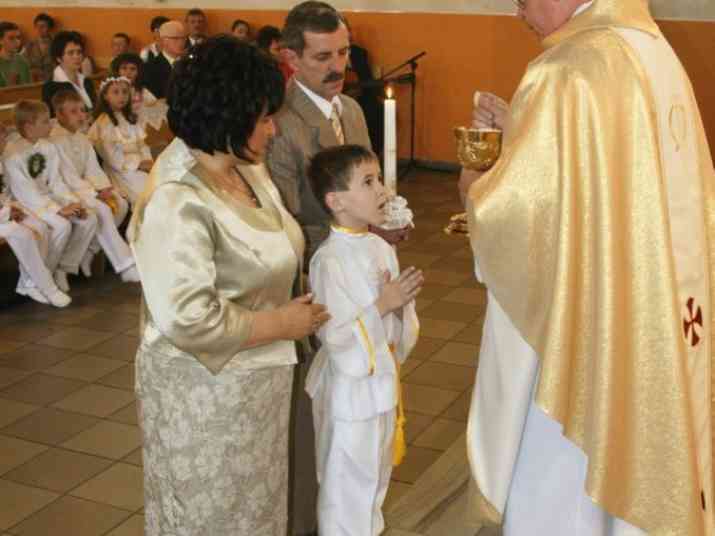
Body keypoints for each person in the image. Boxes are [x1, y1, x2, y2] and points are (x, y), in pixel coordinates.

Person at [460, 1, 715, 535]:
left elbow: (519, 220)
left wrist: (476, 181)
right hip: (655, 313)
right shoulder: (653, 49)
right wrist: (524, 127)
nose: (519, 11)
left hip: (584, 329)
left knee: (564, 485)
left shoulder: (568, 67)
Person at [127, 35, 329, 536]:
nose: (272, 128)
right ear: (227, 114)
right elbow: (187, 317)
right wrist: (281, 322)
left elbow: (275, 247)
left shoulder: (246, 169)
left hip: (258, 385)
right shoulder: (177, 198)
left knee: (257, 513)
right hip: (204, 397)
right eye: (263, 118)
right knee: (210, 518)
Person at [266, 4, 406, 533]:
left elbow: (368, 184)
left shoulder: (350, 107)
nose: (338, 66)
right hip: (320, 277)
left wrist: (385, 218)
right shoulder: (280, 124)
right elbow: (284, 223)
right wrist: (354, 234)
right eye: (322, 56)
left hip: (360, 259)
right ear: (290, 57)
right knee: (327, 429)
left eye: (343, 53)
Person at [306, 144, 422, 535]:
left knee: (375, 478)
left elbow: (397, 324)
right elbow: (335, 336)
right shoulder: (329, 261)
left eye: (379, 180)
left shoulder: (380, 246)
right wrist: (384, 304)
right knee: (345, 484)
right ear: (335, 201)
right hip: (350, 392)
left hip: (382, 384)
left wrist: (400, 306)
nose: (382, 191)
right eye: (368, 182)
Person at [3, 100, 98, 294]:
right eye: (45, 121)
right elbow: (26, 192)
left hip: (49, 198)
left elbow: (56, 182)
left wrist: (72, 202)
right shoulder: (13, 154)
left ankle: (64, 267)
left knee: (88, 218)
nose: (51, 124)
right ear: (29, 126)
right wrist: (58, 210)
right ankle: (44, 276)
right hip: (28, 204)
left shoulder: (48, 147)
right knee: (62, 226)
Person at [50, 90, 139, 283]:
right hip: (64, 193)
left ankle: (88, 252)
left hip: (83, 189)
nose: (81, 116)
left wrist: (104, 188)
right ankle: (126, 265)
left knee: (120, 203)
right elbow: (67, 176)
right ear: (59, 115)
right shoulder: (54, 140)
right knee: (102, 210)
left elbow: (93, 169)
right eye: (74, 111)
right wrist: (94, 193)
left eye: (83, 110)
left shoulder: (82, 138)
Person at [0, 122, 71, 307]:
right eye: (0, 138)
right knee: (22, 234)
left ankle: (28, 284)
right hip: (3, 218)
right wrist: (7, 212)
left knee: (40, 226)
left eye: (4, 136)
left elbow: (4, 194)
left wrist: (10, 207)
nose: (4, 141)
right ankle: (49, 289)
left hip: (5, 212)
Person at [88, 76, 152, 205]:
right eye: (116, 92)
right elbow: (112, 157)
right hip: (123, 170)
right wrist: (138, 164)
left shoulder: (131, 118)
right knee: (146, 194)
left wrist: (147, 160)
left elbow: (142, 144)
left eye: (125, 92)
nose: (121, 96)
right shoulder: (103, 124)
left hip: (141, 164)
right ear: (105, 96)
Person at [43, 31, 96, 116]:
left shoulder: (87, 81)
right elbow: (54, 118)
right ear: (58, 58)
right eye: (71, 53)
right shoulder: (51, 87)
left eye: (79, 52)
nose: (77, 56)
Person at [143, 20, 186, 99]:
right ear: (163, 40)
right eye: (176, 38)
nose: (181, 42)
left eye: (183, 38)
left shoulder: (191, 64)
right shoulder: (149, 68)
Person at [22, 13, 55, 82]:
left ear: (50, 28)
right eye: (37, 26)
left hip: (51, 81)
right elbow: (23, 63)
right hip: (33, 81)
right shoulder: (29, 45)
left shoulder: (56, 45)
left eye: (43, 26)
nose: (39, 29)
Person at [0, 22, 31, 87]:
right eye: (11, 38)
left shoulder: (23, 61)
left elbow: (29, 88)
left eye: (18, 37)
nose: (16, 42)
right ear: (1, 40)